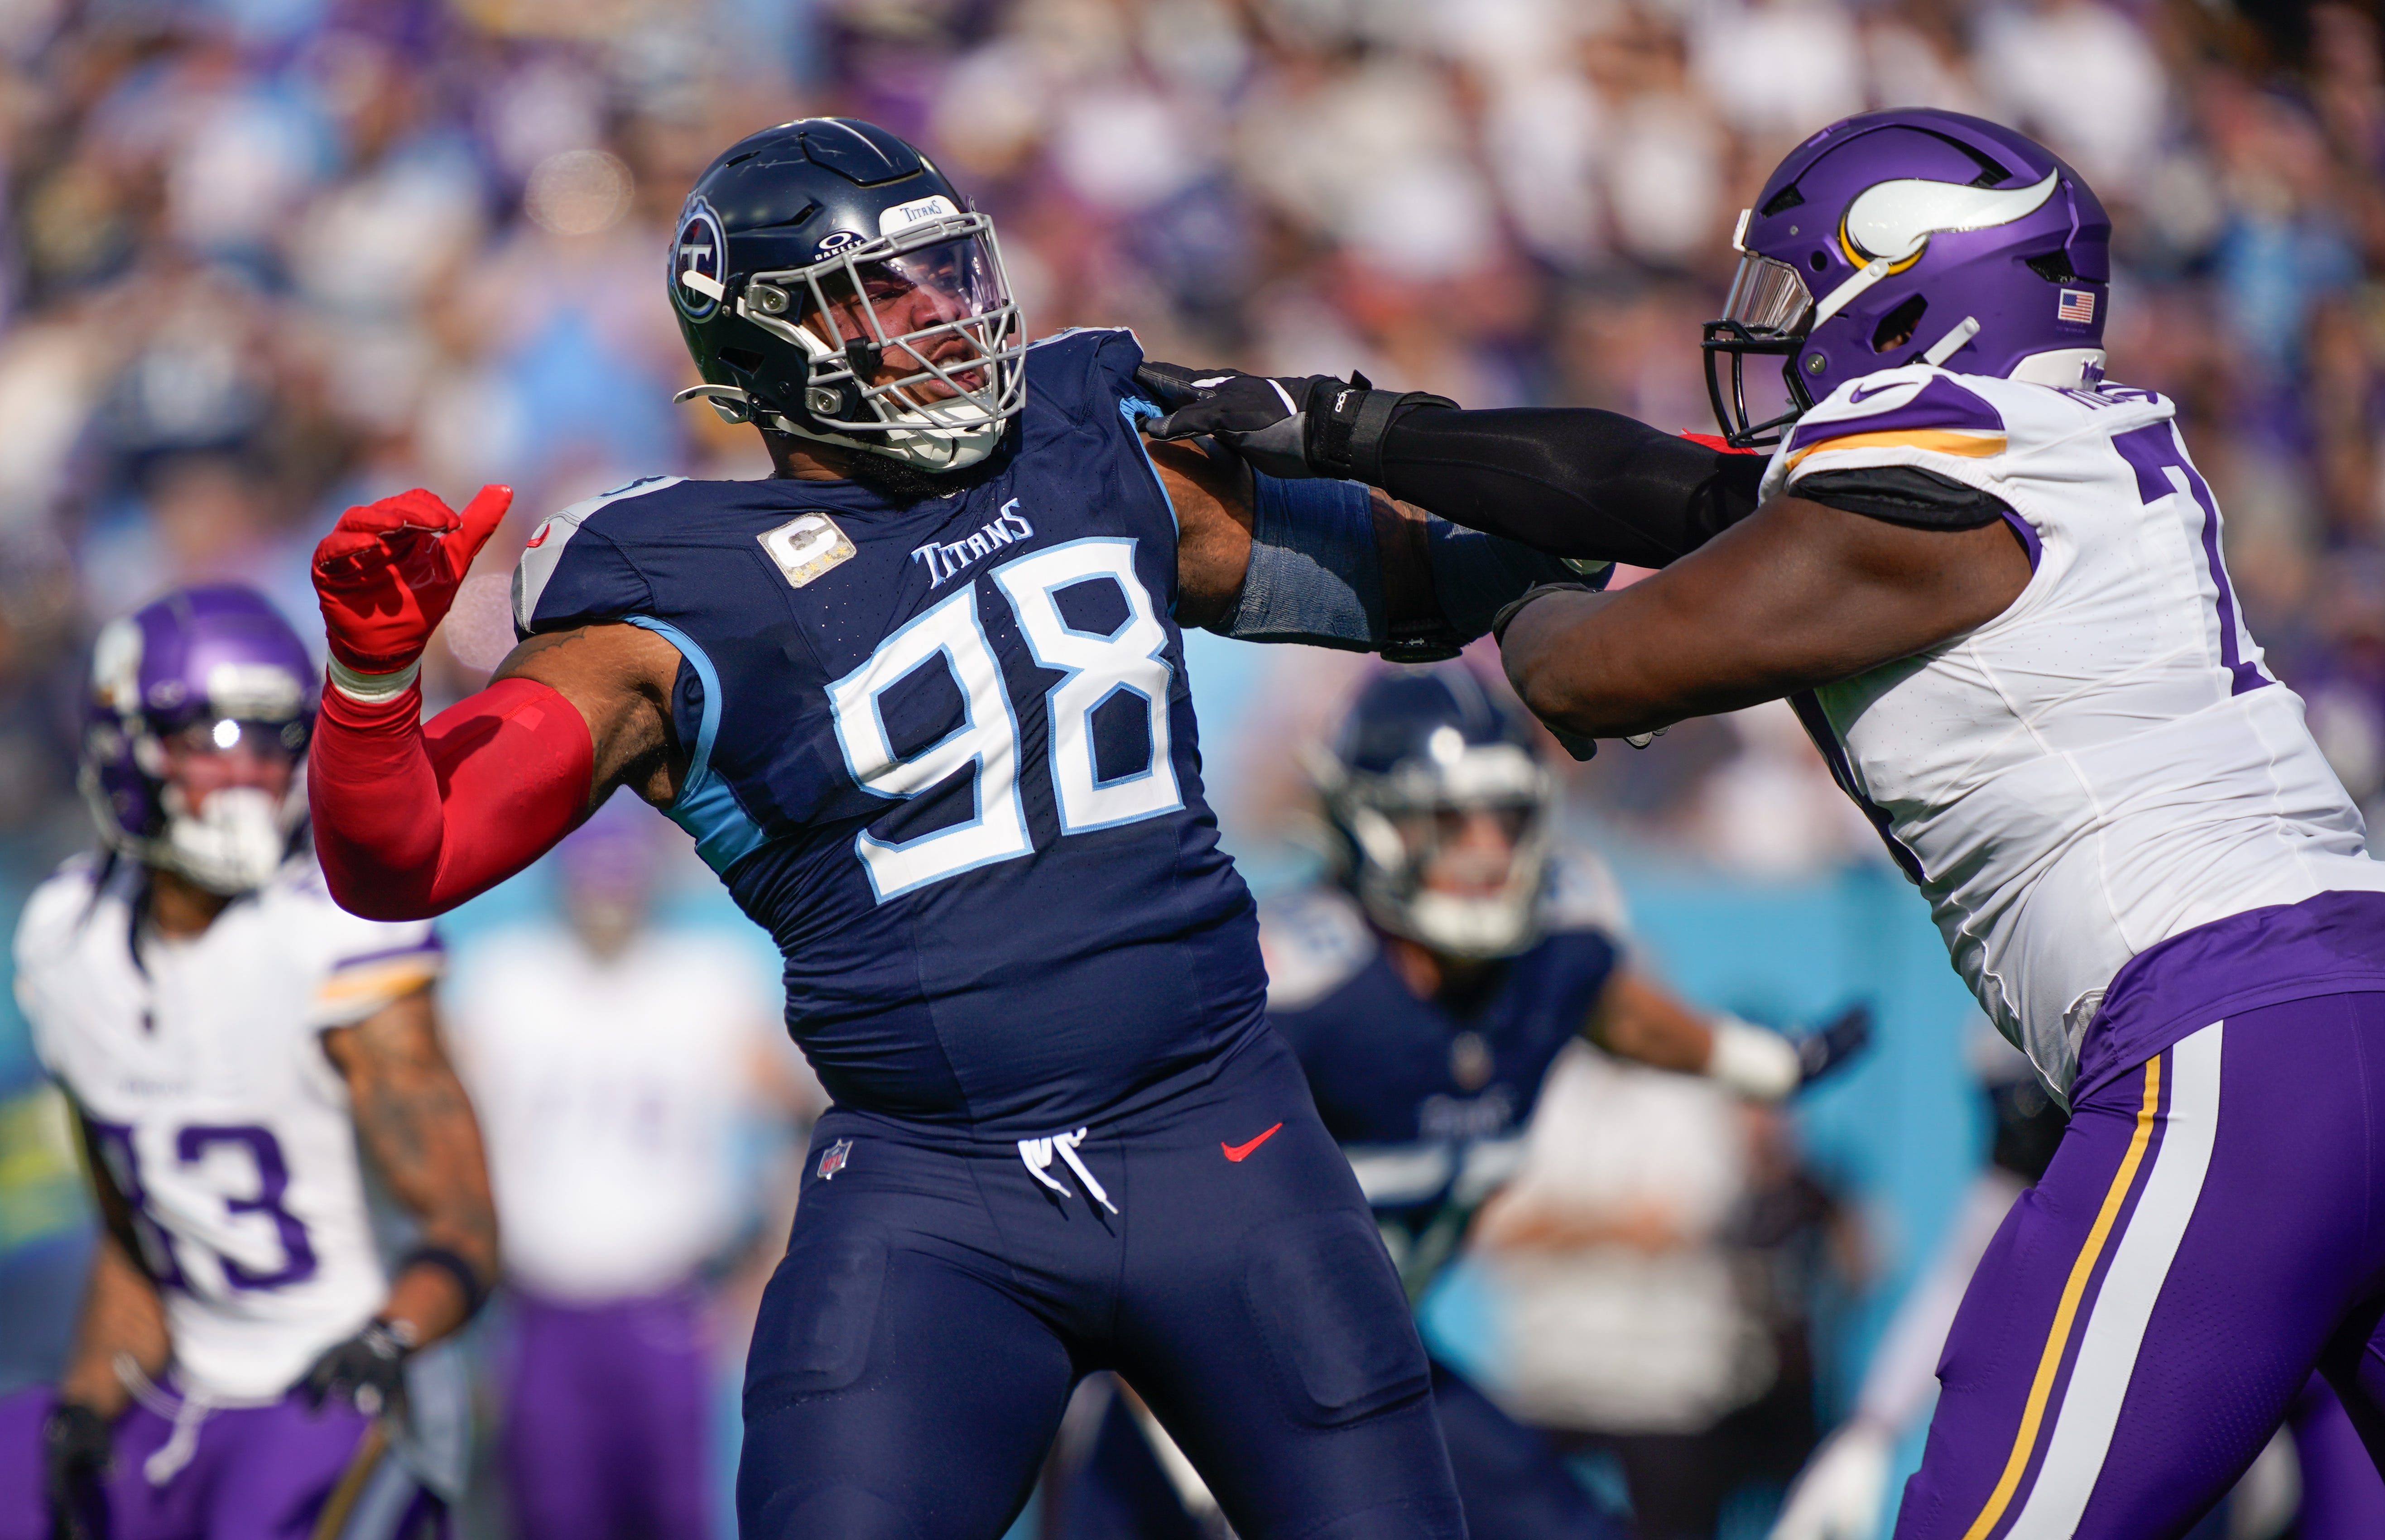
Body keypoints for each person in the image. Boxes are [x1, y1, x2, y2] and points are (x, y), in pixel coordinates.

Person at [296, 117, 1580, 1540]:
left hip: (1215, 1129)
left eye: (949, 273)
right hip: (933, 1192)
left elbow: (1416, 580)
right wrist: (369, 684)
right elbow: (406, 856)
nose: (944, 315)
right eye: (884, 292)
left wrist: (1645, 562)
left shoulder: (1085, 451)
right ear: (772, 344)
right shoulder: (671, 590)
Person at [1145, 106, 2385, 1537]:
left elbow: (1585, 669)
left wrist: (1473, 585)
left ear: (1911, 284)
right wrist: (1357, 425)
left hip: (2227, 1044)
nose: (1771, 334)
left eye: (1804, 287)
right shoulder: (2048, 446)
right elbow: (1646, 482)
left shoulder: (1923, 498)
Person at [1054, 663, 1866, 1540]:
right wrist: (1195, 1462)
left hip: (1376, 1367)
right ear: (1368, 821)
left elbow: (1615, 1011)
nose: (1484, 849)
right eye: (1447, 820)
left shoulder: (1554, 949)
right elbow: (1136, 1247)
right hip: (1201, 1383)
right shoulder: (1298, 988)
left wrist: (1756, 1063)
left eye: (1503, 818)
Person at [0, 585, 496, 1540]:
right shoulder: (67, 937)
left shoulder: (336, 932)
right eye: (214, 739)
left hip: (341, 1372)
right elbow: (136, 1236)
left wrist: (385, 1341)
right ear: (127, 746)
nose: (251, 775)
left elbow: (463, 1229)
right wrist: (88, 1401)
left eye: (273, 742)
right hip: (192, 1380)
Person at [444, 797, 816, 1540]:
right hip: (539, 1308)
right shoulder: (502, 978)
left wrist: (772, 1265)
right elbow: (440, 1140)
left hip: (670, 1306)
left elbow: (805, 1122)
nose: (607, 897)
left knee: (679, 1517)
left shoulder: (704, 980)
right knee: (552, 1519)